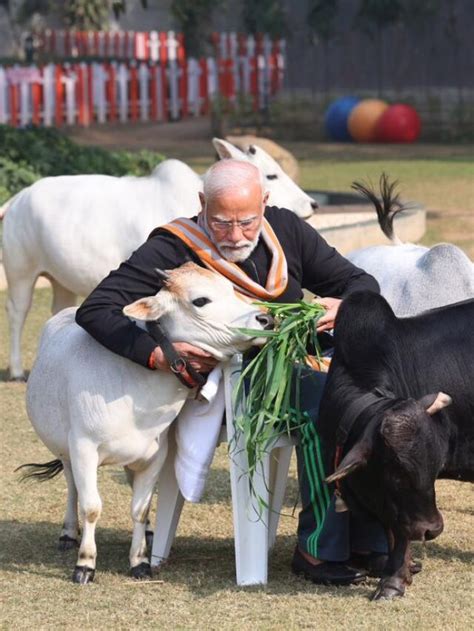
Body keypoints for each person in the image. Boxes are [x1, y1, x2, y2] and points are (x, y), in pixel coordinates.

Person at [76, 159, 388, 584]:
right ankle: (318, 550)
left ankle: (370, 542)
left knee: (375, 397)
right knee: (329, 401)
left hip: (299, 361)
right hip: (234, 382)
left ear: (265, 202)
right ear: (203, 204)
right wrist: (159, 354)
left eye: (247, 221)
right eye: (222, 223)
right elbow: (96, 309)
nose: (236, 235)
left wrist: (344, 305)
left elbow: (360, 282)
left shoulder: (286, 230)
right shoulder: (173, 247)